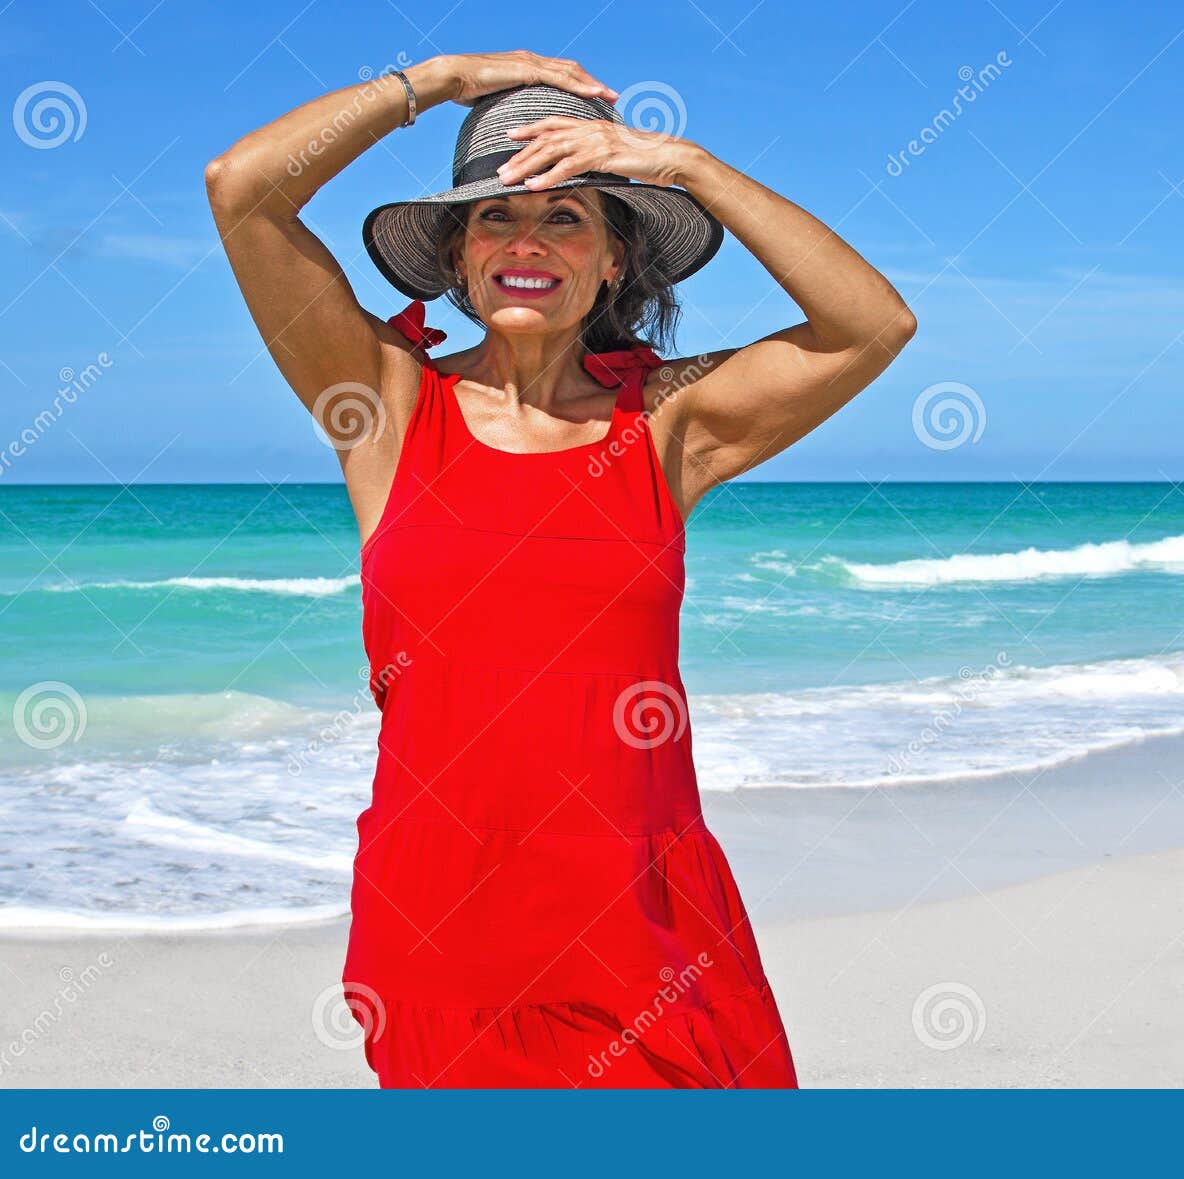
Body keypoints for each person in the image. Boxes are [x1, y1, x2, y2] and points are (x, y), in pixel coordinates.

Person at [203, 50, 916, 1088]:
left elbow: (871, 325)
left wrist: (688, 166)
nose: (526, 240)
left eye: (566, 216)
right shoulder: (387, 409)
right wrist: (440, 81)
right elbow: (244, 191)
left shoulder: (671, 423)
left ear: (615, 260)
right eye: (495, 216)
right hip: (440, 925)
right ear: (458, 255)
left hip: (641, 928)